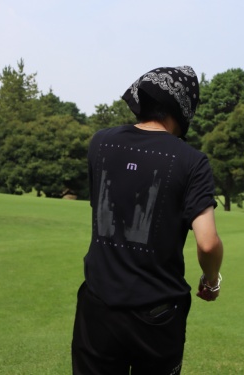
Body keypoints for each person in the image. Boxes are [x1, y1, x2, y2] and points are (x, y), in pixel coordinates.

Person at [72, 66, 223, 375]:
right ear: (183, 109)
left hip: (97, 307)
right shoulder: (191, 161)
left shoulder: (101, 143)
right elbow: (207, 243)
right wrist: (211, 281)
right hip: (158, 314)